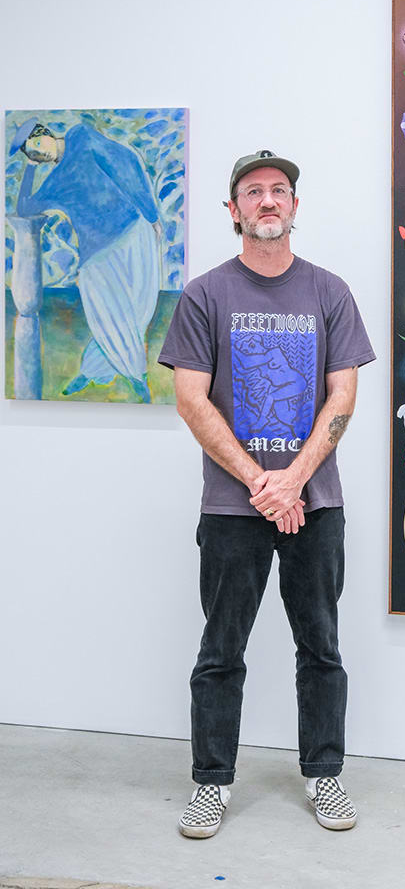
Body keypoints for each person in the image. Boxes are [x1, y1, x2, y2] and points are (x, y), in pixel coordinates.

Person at [158, 150, 375, 838]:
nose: (267, 200)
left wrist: (294, 479)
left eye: (278, 190)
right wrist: (260, 482)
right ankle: (210, 784)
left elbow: (343, 394)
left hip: (316, 501)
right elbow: (191, 400)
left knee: (321, 647)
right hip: (232, 508)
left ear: (294, 206)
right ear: (233, 211)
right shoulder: (205, 294)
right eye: (252, 192)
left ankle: (324, 776)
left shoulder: (328, 291)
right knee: (220, 651)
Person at [10, 117, 162, 402]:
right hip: (95, 252)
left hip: (133, 230)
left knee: (138, 309)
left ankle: (93, 370)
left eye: (36, 145)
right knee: (105, 315)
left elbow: (127, 165)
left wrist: (152, 215)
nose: (38, 154)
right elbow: (25, 206)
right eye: (32, 154)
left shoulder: (83, 138)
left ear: (44, 133)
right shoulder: (54, 182)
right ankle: (136, 374)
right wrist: (30, 169)